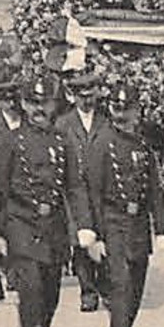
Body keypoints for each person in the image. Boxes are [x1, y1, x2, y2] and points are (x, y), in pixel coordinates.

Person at [0, 72, 94, 327]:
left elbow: (75, 186)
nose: (38, 109)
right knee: (32, 288)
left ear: (54, 105)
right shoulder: (11, 142)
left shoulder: (63, 141)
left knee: (51, 292)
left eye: (44, 102)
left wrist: (85, 224)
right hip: (21, 223)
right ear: (23, 104)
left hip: (54, 226)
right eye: (32, 102)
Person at [83, 82, 163, 327]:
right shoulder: (102, 143)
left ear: (136, 111)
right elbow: (92, 191)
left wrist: (162, 227)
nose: (121, 115)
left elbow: (154, 188)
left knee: (136, 288)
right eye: (116, 109)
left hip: (138, 223)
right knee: (121, 285)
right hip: (113, 222)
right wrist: (96, 234)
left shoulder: (142, 146)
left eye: (126, 109)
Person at [57, 68, 110, 313]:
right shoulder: (64, 124)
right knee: (81, 241)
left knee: (105, 237)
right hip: (74, 190)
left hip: (103, 190)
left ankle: (106, 287)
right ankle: (88, 290)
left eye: (91, 96)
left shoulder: (106, 121)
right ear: (74, 97)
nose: (87, 101)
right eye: (82, 96)